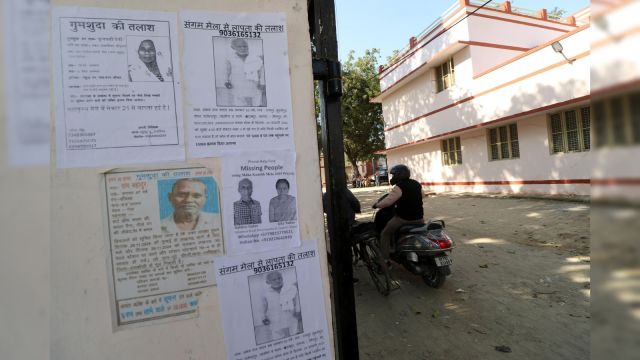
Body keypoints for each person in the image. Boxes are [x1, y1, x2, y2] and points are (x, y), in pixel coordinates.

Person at [372, 164, 424, 261]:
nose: (392, 177)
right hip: (419, 219)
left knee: (385, 234)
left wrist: (377, 205)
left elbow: (388, 201)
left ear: (399, 175)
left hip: (403, 219)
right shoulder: (416, 184)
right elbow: (422, 196)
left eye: (393, 175)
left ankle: (385, 259)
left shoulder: (399, 187)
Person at [260, 271, 302, 340]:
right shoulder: (265, 293)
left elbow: (297, 300)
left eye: (279, 278)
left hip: (290, 315)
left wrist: (297, 310)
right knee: (278, 335)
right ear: (268, 282)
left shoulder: (291, 288)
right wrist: (263, 317)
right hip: (275, 318)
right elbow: (263, 306)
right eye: (274, 279)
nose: (277, 280)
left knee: (293, 332)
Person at [224, 38, 266, 106]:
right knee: (239, 102)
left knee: (257, 102)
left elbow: (262, 71)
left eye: (245, 46)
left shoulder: (256, 57)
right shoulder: (230, 58)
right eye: (239, 46)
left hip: (254, 84)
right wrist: (226, 81)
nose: (243, 48)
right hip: (237, 84)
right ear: (233, 47)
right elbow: (226, 71)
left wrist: (262, 83)